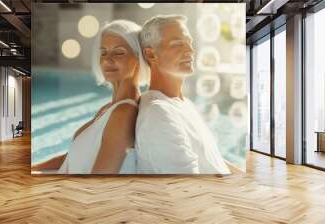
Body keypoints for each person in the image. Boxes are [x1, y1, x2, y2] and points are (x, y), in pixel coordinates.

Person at [135, 15, 230, 174]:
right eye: (178, 44)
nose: (190, 50)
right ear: (151, 55)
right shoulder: (157, 114)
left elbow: (213, 162)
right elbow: (187, 186)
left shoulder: (183, 103)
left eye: (189, 43)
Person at [57, 20, 150, 174]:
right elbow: (73, 156)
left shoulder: (124, 113)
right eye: (103, 52)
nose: (107, 59)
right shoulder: (109, 108)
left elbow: (100, 180)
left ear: (138, 59)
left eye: (119, 52)